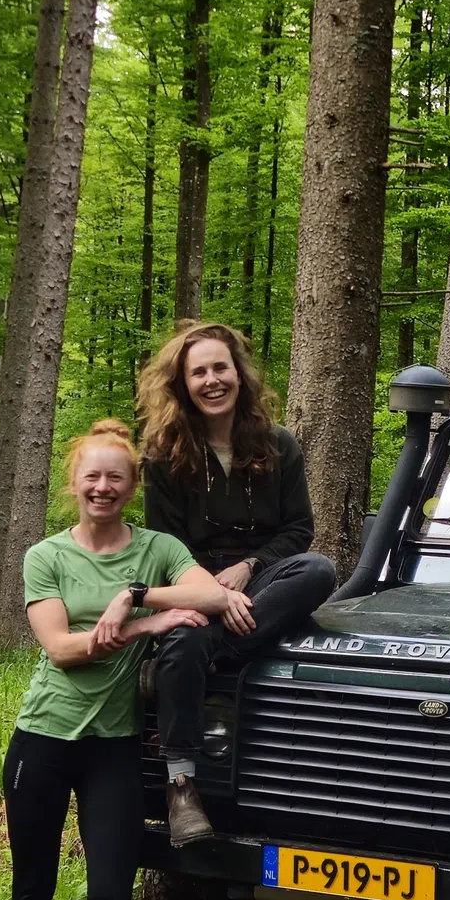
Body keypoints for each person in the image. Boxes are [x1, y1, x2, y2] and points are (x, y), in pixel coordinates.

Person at [0, 417, 240, 900]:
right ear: (74, 483)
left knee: (108, 898)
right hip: (43, 743)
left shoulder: (155, 548)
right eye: (91, 476)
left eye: (116, 478)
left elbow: (214, 593)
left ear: (132, 487)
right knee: (30, 898)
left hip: (113, 750)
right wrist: (150, 625)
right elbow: (64, 649)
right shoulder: (46, 556)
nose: (102, 487)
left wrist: (140, 595)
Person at [138, 321, 337, 846]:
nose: (211, 380)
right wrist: (213, 593)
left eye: (219, 368)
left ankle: (209, 652)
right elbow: (164, 546)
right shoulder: (162, 455)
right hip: (192, 580)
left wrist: (248, 567)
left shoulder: (279, 445)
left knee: (318, 570)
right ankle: (182, 787)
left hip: (263, 576)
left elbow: (299, 531)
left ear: (239, 374)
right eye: (197, 371)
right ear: (182, 383)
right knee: (184, 635)